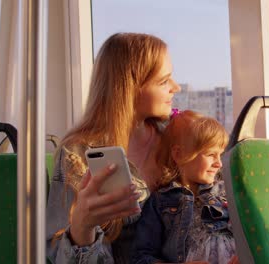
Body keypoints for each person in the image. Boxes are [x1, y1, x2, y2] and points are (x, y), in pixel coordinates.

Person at [46, 32, 181, 263]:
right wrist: (82, 229)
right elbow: (56, 256)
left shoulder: (177, 138)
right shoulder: (77, 154)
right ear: (131, 88)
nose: (175, 87)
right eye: (163, 81)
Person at [132, 110, 238, 264]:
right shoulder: (161, 202)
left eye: (220, 155)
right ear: (179, 155)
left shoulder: (226, 192)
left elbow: (252, 233)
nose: (218, 164)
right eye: (210, 154)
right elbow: (141, 257)